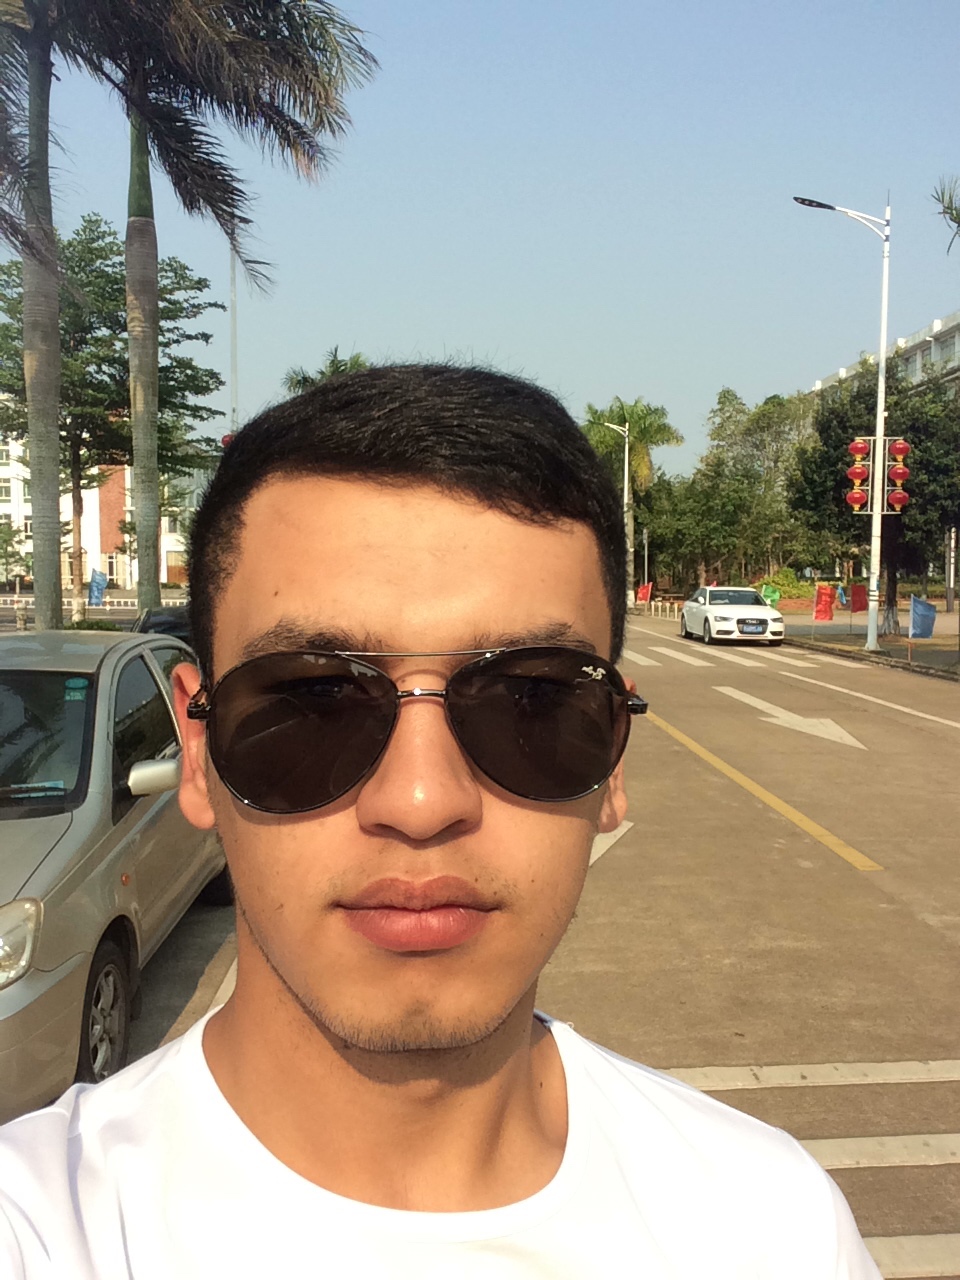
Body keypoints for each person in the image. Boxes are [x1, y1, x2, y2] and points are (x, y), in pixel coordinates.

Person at [0, 365, 880, 1278]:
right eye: (312, 702)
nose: (421, 803)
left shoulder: (771, 1227)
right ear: (197, 751)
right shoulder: (44, 1229)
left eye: (533, 700)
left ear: (614, 754)